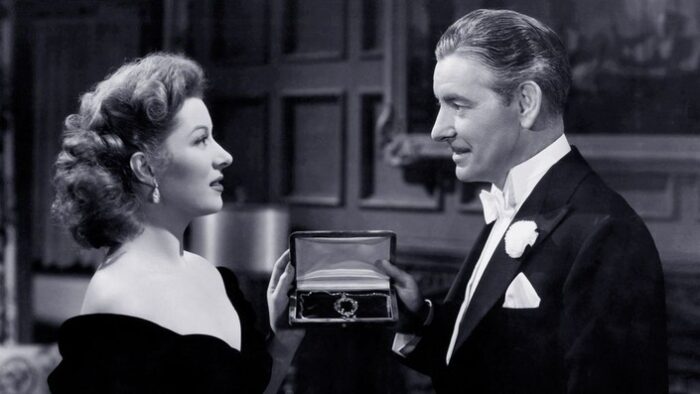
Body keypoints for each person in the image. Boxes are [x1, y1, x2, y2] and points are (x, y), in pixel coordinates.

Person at [378, 9, 667, 394]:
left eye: (458, 105)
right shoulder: (512, 204)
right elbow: (484, 362)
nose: (438, 130)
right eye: (438, 106)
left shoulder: (609, 235)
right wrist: (419, 317)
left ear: (526, 103)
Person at [47, 52, 303, 393]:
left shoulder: (213, 277)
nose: (224, 156)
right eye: (201, 139)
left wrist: (283, 338)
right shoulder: (120, 300)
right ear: (145, 168)